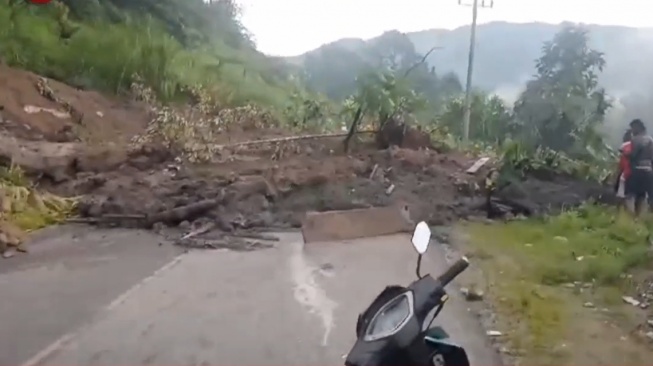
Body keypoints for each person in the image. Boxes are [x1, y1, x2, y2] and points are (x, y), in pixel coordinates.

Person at [625, 119, 653, 217]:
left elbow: (633, 156)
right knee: (643, 196)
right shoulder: (650, 139)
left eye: (632, 128)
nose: (632, 131)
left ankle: (631, 217)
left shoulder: (636, 139)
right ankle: (642, 218)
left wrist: (625, 153)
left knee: (630, 194)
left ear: (637, 127)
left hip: (637, 170)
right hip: (649, 170)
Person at [615, 129, 633, 211]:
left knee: (621, 192)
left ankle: (620, 210)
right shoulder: (640, 145)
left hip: (626, 171)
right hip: (637, 171)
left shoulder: (625, 145)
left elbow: (621, 159)